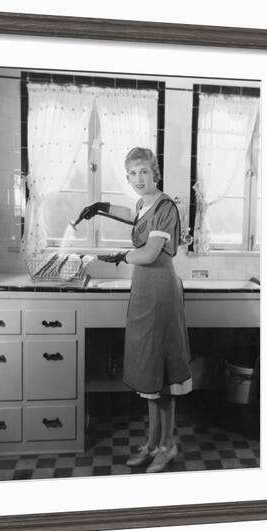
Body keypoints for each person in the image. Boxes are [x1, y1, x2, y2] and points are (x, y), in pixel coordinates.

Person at [77, 147, 192, 473]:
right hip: (143, 292)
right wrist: (100, 207)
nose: (138, 179)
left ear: (154, 172)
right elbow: (131, 214)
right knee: (149, 374)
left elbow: (151, 253)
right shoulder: (144, 205)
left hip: (160, 292)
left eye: (143, 171)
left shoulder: (166, 207)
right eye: (132, 174)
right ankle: (152, 444)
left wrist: (120, 256)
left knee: (162, 375)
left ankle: (168, 446)